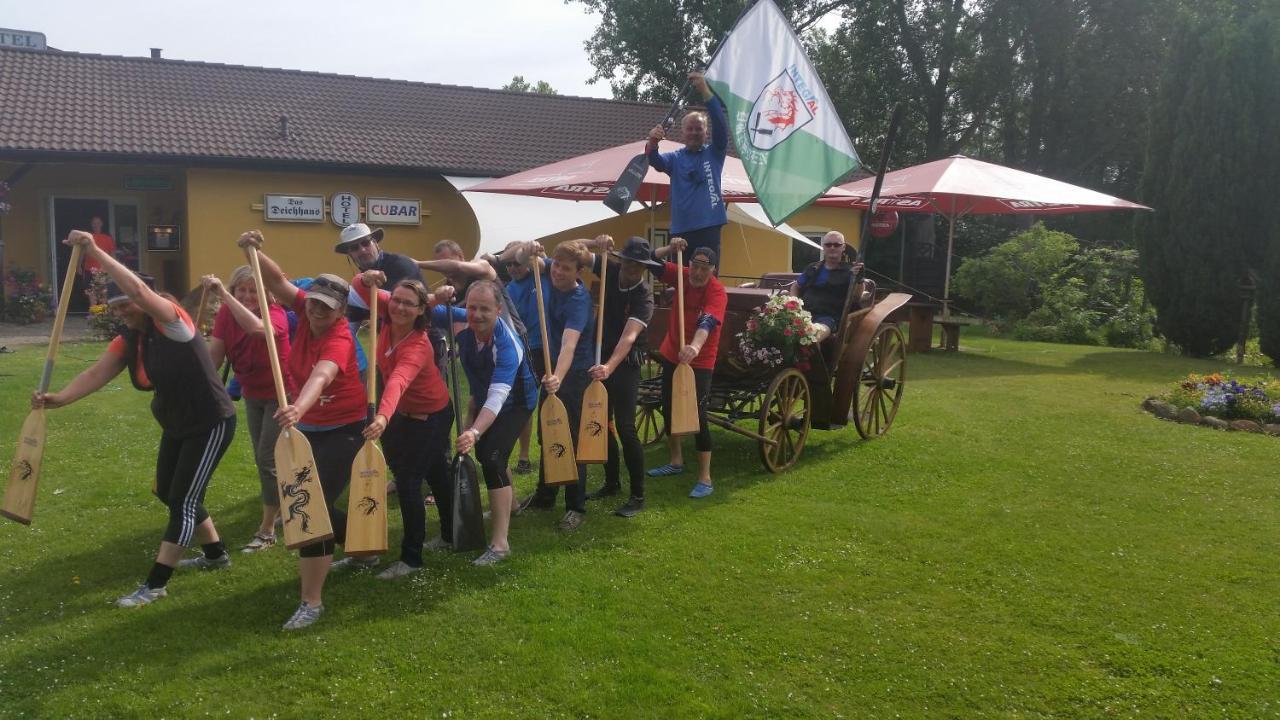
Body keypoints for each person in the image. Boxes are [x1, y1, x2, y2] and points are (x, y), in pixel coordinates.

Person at [36, 230, 236, 608]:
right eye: (114, 306)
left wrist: (94, 251)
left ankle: (156, 585)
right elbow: (97, 373)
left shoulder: (173, 322)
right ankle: (216, 555)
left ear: (146, 301)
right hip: (177, 424)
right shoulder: (132, 338)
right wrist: (58, 399)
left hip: (210, 422)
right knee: (167, 491)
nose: (120, 310)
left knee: (185, 502)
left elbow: (143, 294)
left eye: (124, 303)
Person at [237, 230, 367, 631]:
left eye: (326, 309)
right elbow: (276, 282)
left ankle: (312, 602)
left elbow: (323, 375)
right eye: (313, 304)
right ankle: (365, 544)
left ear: (341, 311)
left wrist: (297, 406)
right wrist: (253, 251)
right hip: (309, 425)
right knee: (316, 504)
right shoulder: (303, 309)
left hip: (344, 429)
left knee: (309, 506)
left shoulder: (340, 338)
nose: (316, 312)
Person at [352, 272, 454, 579]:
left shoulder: (418, 346)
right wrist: (367, 276)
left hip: (431, 416)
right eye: (395, 300)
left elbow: (398, 380)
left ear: (422, 310)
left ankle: (411, 559)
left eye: (409, 304)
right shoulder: (384, 311)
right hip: (402, 415)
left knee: (409, 483)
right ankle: (451, 535)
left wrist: (382, 416)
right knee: (437, 473)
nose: (399, 307)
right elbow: (359, 287)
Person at [434, 280, 538, 565]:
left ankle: (500, 543)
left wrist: (474, 431)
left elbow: (498, 395)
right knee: (489, 453)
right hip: (485, 398)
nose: (477, 314)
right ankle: (511, 505)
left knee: (492, 457)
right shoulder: (460, 319)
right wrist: (434, 298)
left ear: (498, 310)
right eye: (471, 307)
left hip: (516, 402)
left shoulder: (508, 345)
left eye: (485, 309)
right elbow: (420, 311)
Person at [202, 266, 298, 552]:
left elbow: (258, 330)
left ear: (266, 293)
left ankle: (267, 529)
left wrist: (222, 295)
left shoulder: (275, 314)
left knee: (267, 458)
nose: (246, 296)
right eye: (240, 290)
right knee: (264, 459)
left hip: (282, 394)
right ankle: (284, 506)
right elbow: (214, 358)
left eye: (253, 290)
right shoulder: (224, 316)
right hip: (252, 393)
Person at [512, 240, 595, 531]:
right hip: (550, 365)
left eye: (566, 268)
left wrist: (557, 378)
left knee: (570, 438)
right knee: (548, 432)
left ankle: (576, 506)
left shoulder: (578, 301)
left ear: (579, 271)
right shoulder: (546, 269)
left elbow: (570, 345)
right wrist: (528, 248)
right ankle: (546, 495)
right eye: (556, 265)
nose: (558, 272)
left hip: (574, 372)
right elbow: (519, 258)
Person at [582, 235, 660, 517]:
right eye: (628, 261)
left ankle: (638, 496)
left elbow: (628, 338)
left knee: (626, 427)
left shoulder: (644, 296)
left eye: (638, 264)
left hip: (625, 363)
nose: (631, 268)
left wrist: (608, 368)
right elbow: (569, 250)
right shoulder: (609, 268)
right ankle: (612, 482)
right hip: (601, 355)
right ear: (621, 259)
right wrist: (595, 243)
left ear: (644, 268)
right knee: (602, 422)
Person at [647, 238, 727, 498]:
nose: (699, 273)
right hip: (673, 352)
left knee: (697, 415)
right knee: (669, 407)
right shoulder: (681, 273)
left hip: (700, 359)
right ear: (689, 264)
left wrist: (694, 346)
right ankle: (675, 462)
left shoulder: (717, 292)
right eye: (695, 266)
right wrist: (670, 250)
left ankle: (705, 478)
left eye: (706, 268)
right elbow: (650, 259)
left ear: (713, 270)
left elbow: (707, 321)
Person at [646, 70, 729, 268]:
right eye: (689, 129)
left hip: (709, 227)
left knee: (707, 280)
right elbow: (655, 160)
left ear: (706, 132)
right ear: (682, 132)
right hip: (681, 230)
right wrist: (652, 141)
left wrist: (704, 90)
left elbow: (720, 123)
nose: (694, 132)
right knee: (681, 281)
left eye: (698, 129)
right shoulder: (675, 158)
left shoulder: (715, 152)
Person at [497, 240, 546, 475]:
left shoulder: (540, 273)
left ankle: (536, 451)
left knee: (540, 402)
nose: (514, 269)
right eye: (509, 266)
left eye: (517, 264)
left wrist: (530, 252)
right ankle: (521, 455)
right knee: (525, 404)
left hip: (545, 347)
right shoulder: (508, 290)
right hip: (521, 350)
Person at [789, 231, 857, 343]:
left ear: (843, 247)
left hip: (828, 318)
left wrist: (859, 280)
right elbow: (795, 286)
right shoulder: (812, 267)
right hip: (804, 313)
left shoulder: (851, 271)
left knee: (812, 336)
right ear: (823, 247)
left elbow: (857, 296)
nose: (832, 247)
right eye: (828, 244)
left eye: (837, 244)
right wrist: (793, 303)